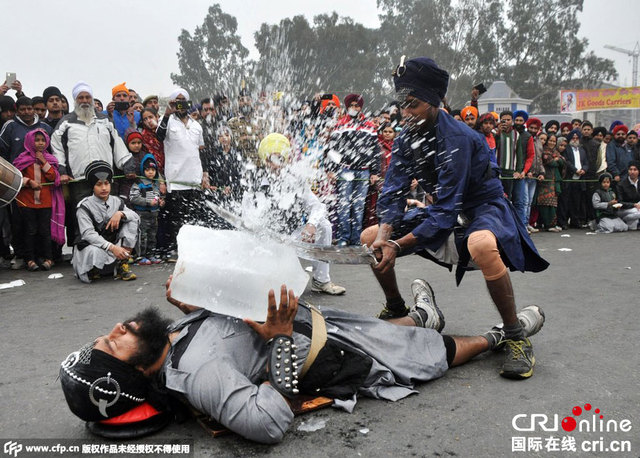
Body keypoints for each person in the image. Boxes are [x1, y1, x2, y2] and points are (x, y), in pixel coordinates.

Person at [59, 276, 545, 444]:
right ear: (137, 371)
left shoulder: (171, 341)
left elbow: (220, 335)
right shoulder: (201, 378)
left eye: (107, 334)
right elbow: (270, 423)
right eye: (112, 345)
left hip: (319, 324)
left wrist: (196, 305)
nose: (116, 329)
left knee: (382, 328)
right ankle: (496, 336)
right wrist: (280, 338)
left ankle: (422, 314)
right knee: (427, 356)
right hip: (327, 356)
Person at [361, 56, 549, 380]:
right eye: (402, 106)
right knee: (369, 238)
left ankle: (515, 334)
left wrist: (397, 243)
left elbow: (447, 210)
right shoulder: (407, 137)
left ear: (436, 102)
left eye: (414, 105)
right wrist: (384, 236)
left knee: (480, 243)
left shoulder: (459, 138)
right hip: (444, 211)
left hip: (484, 210)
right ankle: (396, 307)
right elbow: (392, 190)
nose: (405, 114)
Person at [245, 133, 346, 295]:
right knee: (273, 287)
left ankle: (321, 281)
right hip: (267, 241)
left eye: (281, 158)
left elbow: (318, 207)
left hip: (291, 237)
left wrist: (311, 224)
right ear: (266, 161)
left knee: (324, 225)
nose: (278, 163)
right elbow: (247, 218)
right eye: (274, 158)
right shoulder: (254, 182)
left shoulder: (295, 180)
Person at [50, 81, 135, 248]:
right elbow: (56, 148)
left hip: (103, 180)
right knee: (82, 218)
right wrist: (62, 170)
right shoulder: (66, 123)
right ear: (75, 100)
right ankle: (84, 258)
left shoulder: (105, 121)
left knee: (107, 217)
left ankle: (108, 257)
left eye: (87, 97)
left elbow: (117, 144)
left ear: (92, 98)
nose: (84, 101)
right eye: (80, 97)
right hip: (79, 180)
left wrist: (128, 166)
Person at [155, 88, 208, 262]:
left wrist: (205, 175)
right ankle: (175, 250)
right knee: (176, 218)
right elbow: (158, 137)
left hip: (194, 178)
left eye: (183, 100)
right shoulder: (167, 121)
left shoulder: (196, 125)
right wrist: (167, 113)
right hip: (176, 179)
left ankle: (193, 250)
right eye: (176, 101)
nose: (180, 104)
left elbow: (201, 152)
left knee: (194, 216)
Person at [326, 93, 381, 246]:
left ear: (361, 107)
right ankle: (344, 237)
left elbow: (375, 150)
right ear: (347, 107)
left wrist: (375, 172)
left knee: (358, 207)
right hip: (345, 170)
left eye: (357, 105)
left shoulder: (369, 126)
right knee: (344, 205)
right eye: (352, 106)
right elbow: (332, 149)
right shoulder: (340, 124)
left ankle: (356, 238)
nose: (354, 108)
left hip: (363, 171)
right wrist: (331, 169)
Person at [72, 161, 139, 283]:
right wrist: (113, 248)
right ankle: (94, 269)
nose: (104, 188)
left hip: (114, 251)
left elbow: (135, 217)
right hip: (93, 250)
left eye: (107, 183)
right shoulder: (84, 206)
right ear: (92, 186)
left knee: (132, 221)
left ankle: (122, 264)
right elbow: (88, 234)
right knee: (92, 250)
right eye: (99, 184)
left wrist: (120, 214)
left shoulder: (117, 201)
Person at [12, 129, 64, 270]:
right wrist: (29, 182)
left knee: (45, 231)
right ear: (29, 141)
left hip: (45, 202)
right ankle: (30, 260)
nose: (40, 143)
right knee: (30, 230)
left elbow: (53, 177)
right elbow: (17, 178)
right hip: (27, 202)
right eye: (37, 140)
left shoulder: (50, 159)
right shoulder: (22, 159)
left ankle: (48, 258)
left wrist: (43, 161)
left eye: (42, 140)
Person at [129, 154, 164, 264]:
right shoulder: (139, 183)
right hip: (142, 214)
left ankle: (151, 254)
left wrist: (161, 202)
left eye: (153, 170)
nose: (150, 172)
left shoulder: (156, 184)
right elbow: (133, 197)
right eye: (147, 169)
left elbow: (158, 198)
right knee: (142, 236)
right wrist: (148, 202)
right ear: (142, 170)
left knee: (152, 236)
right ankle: (140, 256)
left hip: (154, 214)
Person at [537, 135, 563, 232]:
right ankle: (547, 224)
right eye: (550, 141)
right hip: (545, 180)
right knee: (544, 203)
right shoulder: (544, 151)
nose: (552, 143)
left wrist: (557, 160)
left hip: (553, 181)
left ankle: (552, 224)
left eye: (554, 141)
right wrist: (556, 160)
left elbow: (562, 161)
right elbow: (550, 162)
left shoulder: (555, 152)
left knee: (553, 204)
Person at [616, 160, 640, 230]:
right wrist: (634, 205)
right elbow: (619, 203)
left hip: (637, 209)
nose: (632, 172)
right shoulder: (621, 185)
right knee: (635, 211)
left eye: (635, 170)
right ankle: (624, 219)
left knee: (633, 227)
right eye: (630, 169)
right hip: (624, 209)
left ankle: (633, 223)